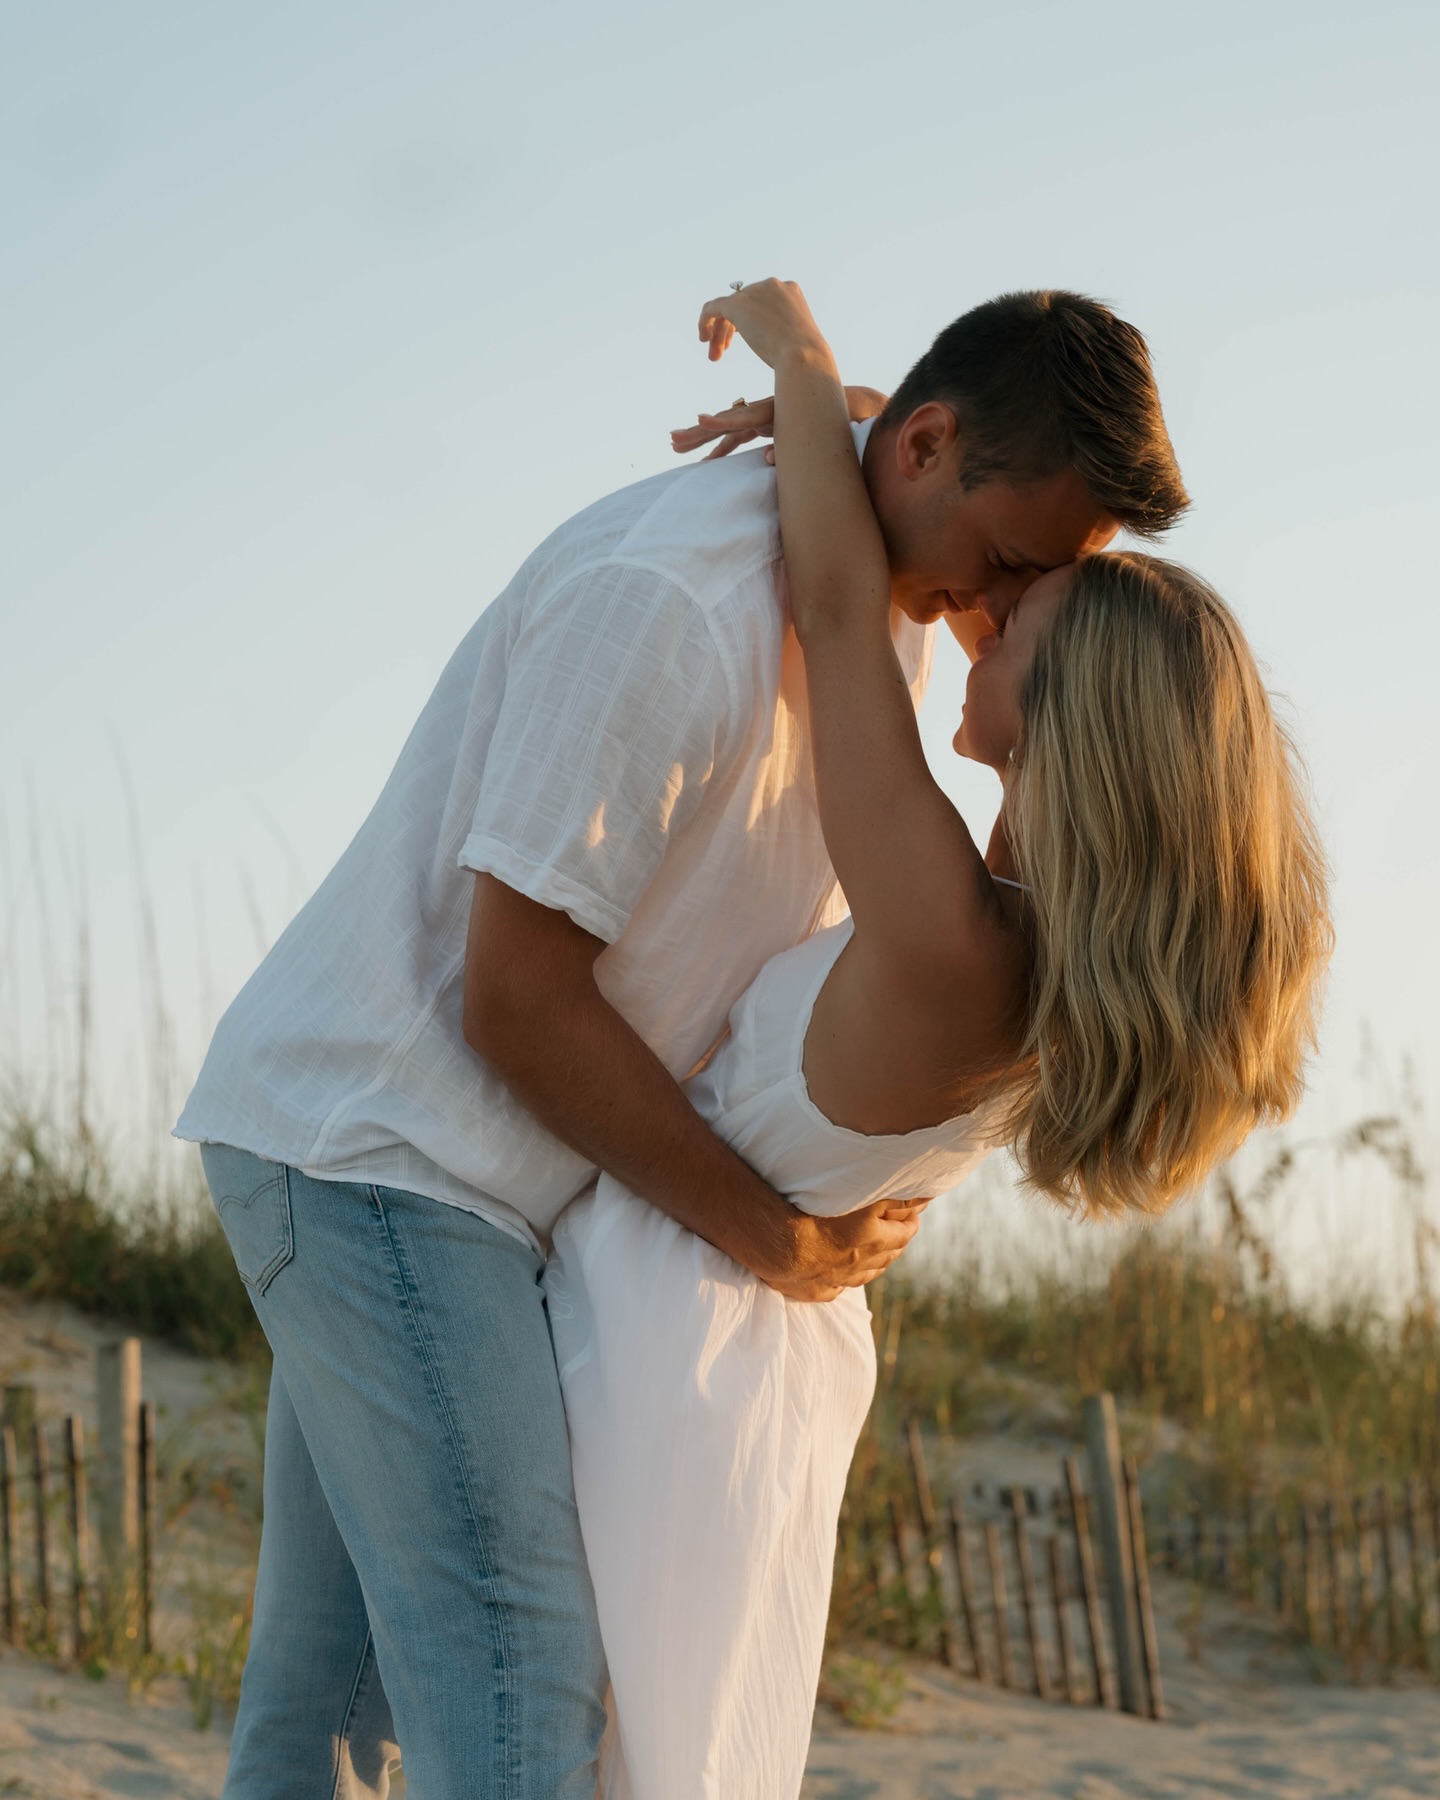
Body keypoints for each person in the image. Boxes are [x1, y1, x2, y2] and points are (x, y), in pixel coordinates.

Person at [175, 283, 1189, 1797]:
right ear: (925, 449)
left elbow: (871, 536)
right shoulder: (673, 602)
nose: (996, 616)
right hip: (381, 1158)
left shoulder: (888, 611)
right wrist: (771, 1238)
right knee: (518, 1665)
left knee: (326, 1698)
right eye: (1007, 565)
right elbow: (512, 1000)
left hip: (471, 1182)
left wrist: (816, 392)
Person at [547, 280, 1332, 1799]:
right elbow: (907, 551)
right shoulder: (1027, 957)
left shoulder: (955, 948)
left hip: (657, 1334)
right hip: (749, 1358)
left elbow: (844, 607)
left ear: (1072, 712)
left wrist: (801, 354)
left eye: (1025, 599)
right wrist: (875, 434)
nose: (987, 601)